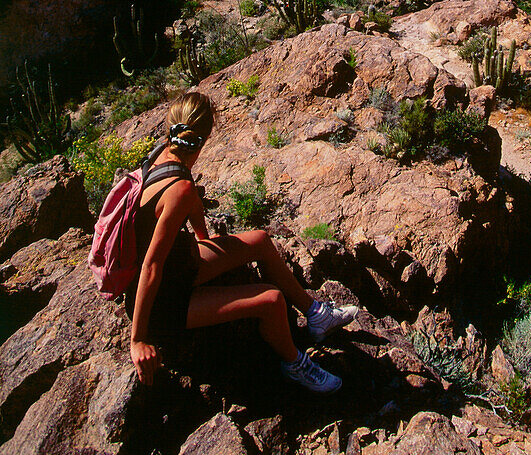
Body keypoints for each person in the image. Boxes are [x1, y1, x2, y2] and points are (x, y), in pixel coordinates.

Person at [126, 90, 358, 393]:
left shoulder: (162, 155)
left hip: (182, 265)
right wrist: (138, 339)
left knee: (260, 240)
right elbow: (152, 266)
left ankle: (316, 315)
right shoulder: (179, 185)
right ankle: (295, 364)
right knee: (271, 300)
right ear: (206, 136)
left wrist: (206, 242)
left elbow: (191, 201)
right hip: (164, 302)